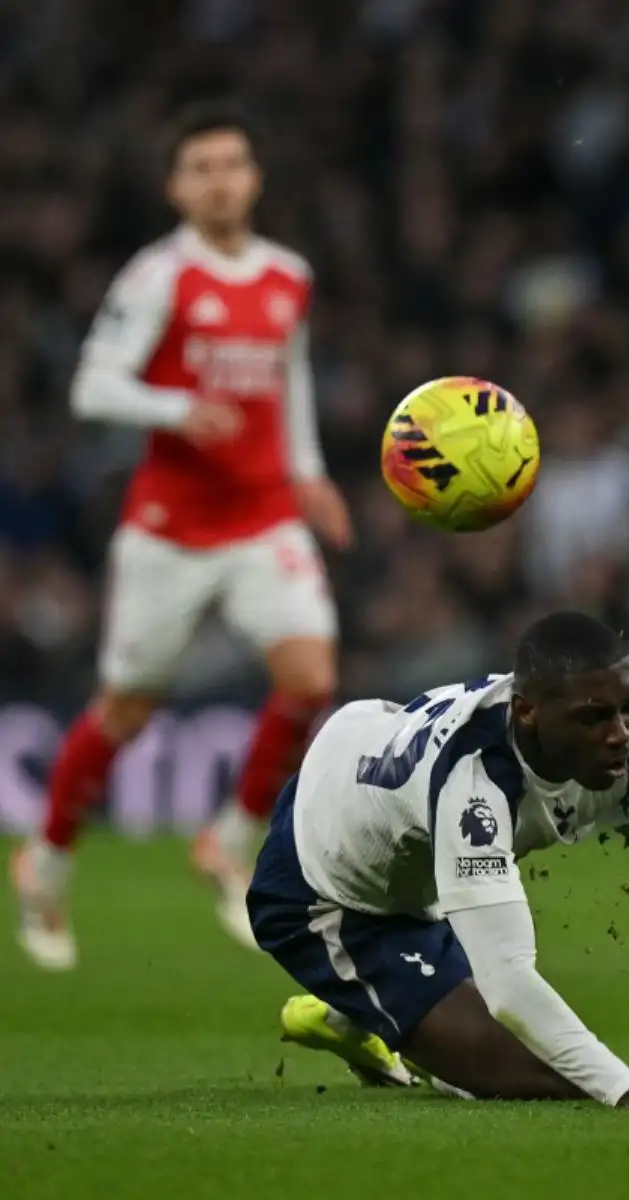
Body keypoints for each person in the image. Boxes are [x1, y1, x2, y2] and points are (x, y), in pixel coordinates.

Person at [11, 101, 354, 970]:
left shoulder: (288, 276)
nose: (219, 179)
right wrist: (173, 406)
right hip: (170, 528)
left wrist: (307, 471)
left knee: (310, 676)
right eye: (200, 167)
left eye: (231, 163)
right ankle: (46, 862)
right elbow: (93, 386)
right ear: (174, 186)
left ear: (256, 176)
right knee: (125, 709)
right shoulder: (158, 276)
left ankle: (227, 839)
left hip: (265, 513)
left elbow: (292, 381)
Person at [252, 611, 629, 1107]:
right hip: (321, 889)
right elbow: (508, 980)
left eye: (626, 706)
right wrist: (627, 1092)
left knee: (531, 1055)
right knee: (536, 1076)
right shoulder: (473, 780)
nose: (620, 732)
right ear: (527, 714)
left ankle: (368, 1015)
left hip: (407, 870)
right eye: (593, 717)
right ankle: (368, 1018)